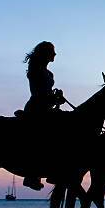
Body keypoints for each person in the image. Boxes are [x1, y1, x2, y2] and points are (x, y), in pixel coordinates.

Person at [21, 41, 65, 190]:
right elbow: (38, 94)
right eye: (52, 51)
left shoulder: (48, 72)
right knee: (43, 137)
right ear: (45, 53)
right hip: (36, 108)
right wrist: (53, 98)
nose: (55, 54)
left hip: (46, 108)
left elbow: (46, 93)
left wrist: (56, 97)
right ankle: (32, 176)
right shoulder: (35, 69)